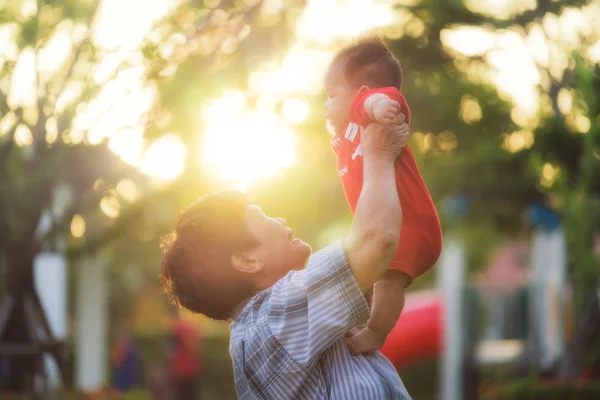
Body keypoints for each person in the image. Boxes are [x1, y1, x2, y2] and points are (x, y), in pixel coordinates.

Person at [159, 116, 412, 399]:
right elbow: (375, 240)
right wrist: (379, 151)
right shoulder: (275, 318)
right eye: (263, 216)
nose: (279, 219)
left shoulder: (267, 328)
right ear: (247, 261)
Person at [324, 36, 443, 354]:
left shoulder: (372, 110)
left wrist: (375, 105)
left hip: (408, 222)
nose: (326, 105)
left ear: (359, 94)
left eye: (332, 95)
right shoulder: (347, 134)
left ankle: (377, 333)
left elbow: (381, 98)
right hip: (388, 225)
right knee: (374, 277)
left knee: (388, 279)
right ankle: (366, 318)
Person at [167, 311, 202, 400]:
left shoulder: (178, 329)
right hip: (187, 369)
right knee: (189, 394)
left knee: (183, 394)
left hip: (183, 370)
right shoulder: (191, 328)